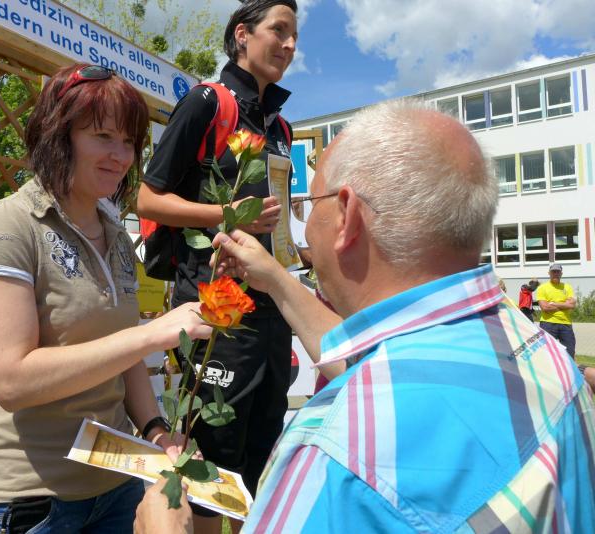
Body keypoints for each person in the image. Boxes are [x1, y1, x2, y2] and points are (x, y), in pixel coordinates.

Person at [134, 101, 595, 533]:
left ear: (347, 215)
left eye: (310, 204)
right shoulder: (544, 356)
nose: (304, 226)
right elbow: (373, 363)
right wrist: (275, 278)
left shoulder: (334, 453)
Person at [0, 64, 212, 534]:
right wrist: (150, 336)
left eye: (129, 142)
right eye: (102, 136)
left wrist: (155, 431)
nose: (121, 156)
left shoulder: (115, 234)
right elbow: (11, 380)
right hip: (31, 500)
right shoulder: (9, 224)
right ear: (59, 135)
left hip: (116, 489)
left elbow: (124, 356)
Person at [137, 1, 304, 530]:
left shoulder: (282, 127)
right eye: (279, 30)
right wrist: (227, 214)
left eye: (295, 36)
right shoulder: (207, 102)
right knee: (211, 468)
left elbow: (273, 221)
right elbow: (146, 198)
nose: (289, 45)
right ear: (243, 34)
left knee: (259, 459)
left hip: (271, 311)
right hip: (216, 313)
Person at [537, 263, 577, 358]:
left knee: (570, 352)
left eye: (557, 272)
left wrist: (554, 304)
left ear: (561, 273)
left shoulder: (567, 287)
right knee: (547, 354)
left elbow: (572, 305)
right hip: (547, 324)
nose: (555, 273)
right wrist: (564, 305)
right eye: (553, 272)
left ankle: (568, 368)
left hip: (565, 324)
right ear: (549, 273)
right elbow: (545, 308)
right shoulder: (542, 288)